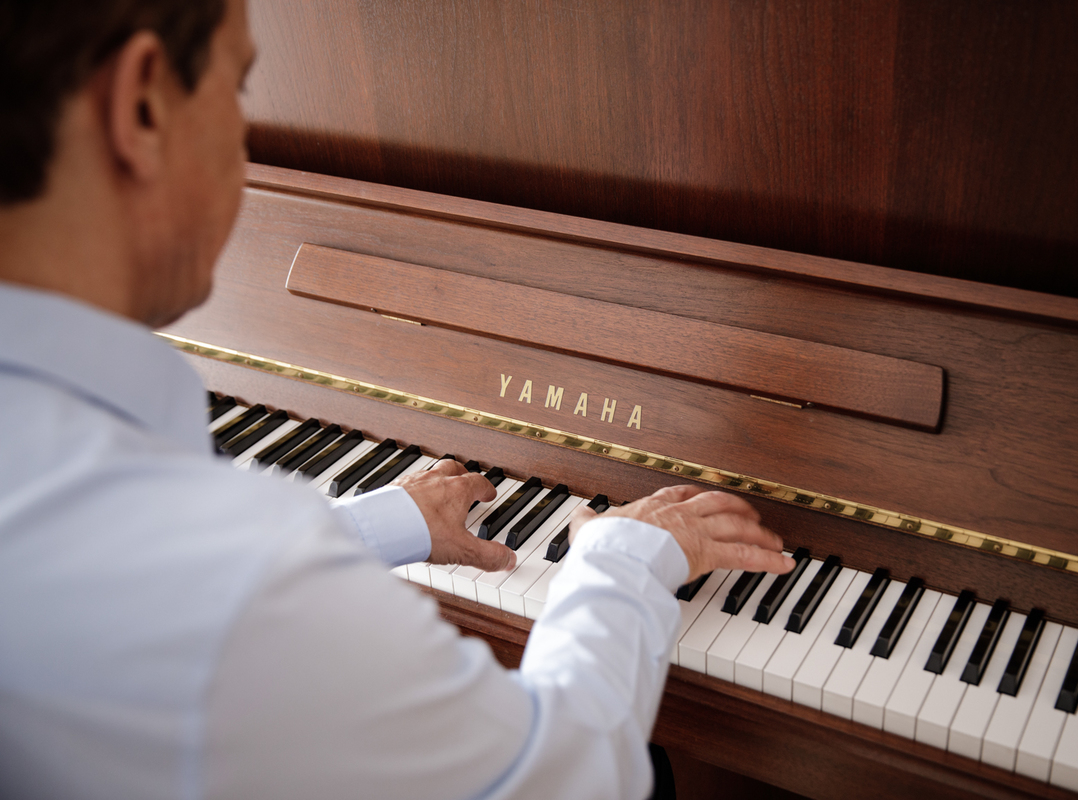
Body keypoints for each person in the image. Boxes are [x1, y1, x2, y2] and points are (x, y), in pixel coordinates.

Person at [0, 1, 795, 798]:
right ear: (141, 106)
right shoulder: (235, 573)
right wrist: (622, 558)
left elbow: (161, 594)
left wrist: (377, 526)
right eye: (239, 88)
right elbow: (573, 778)